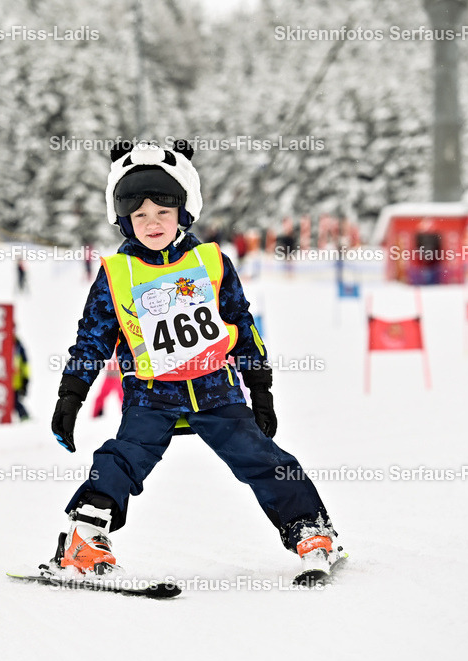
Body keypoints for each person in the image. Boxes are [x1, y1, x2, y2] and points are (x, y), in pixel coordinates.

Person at [47, 140, 340, 579]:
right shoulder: (117, 274)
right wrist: (71, 396)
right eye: (139, 214)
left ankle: (311, 530)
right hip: (150, 396)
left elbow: (242, 324)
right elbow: (91, 340)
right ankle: (84, 539)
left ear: (184, 211)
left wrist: (260, 388)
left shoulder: (211, 262)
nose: (151, 223)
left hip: (216, 390)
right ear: (122, 217)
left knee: (260, 457)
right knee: (122, 459)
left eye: (162, 212)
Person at [12, 335, 30, 421]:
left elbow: (25, 365)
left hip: (15, 382)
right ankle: (24, 416)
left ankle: (24, 416)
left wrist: (25, 380)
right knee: (13, 402)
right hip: (2, 382)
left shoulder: (18, 345)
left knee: (14, 401)